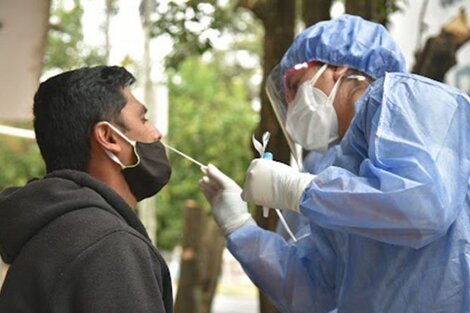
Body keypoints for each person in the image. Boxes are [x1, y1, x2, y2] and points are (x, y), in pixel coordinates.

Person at [200, 14, 470, 313]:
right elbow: (315, 293)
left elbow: (423, 206)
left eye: (295, 84)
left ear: (336, 67)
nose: (291, 104)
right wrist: (240, 227)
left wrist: (298, 189)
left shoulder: (402, 97)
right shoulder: (337, 170)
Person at [0, 66, 173, 312]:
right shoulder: (110, 247)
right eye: (143, 119)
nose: (156, 133)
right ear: (109, 137)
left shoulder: (54, 228)